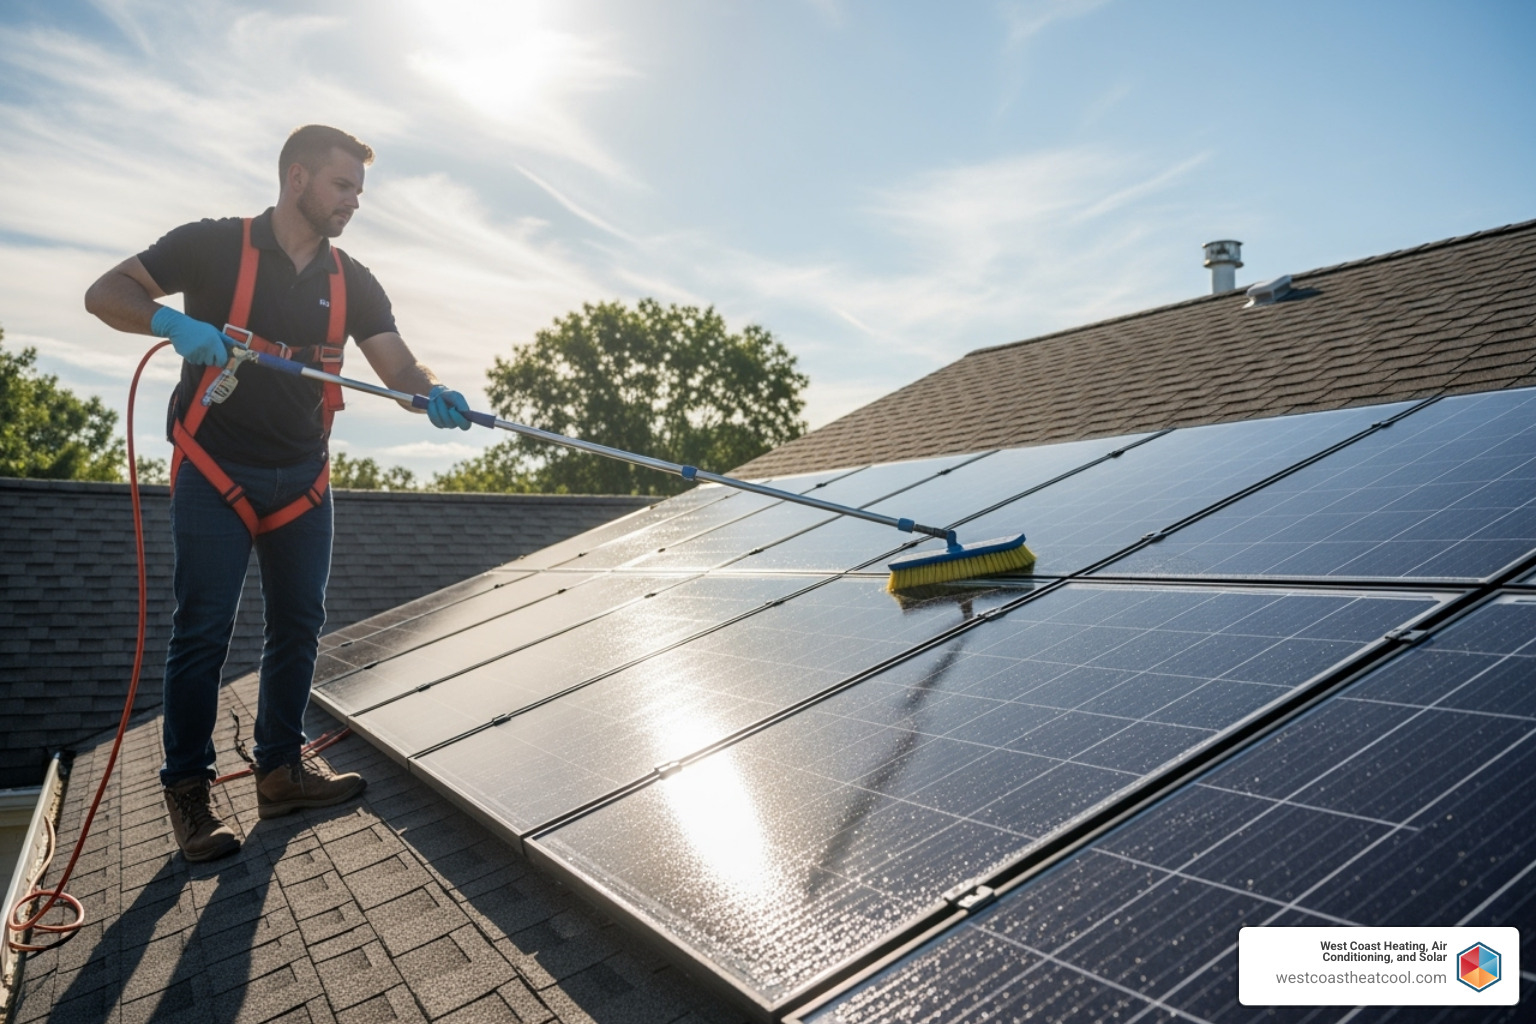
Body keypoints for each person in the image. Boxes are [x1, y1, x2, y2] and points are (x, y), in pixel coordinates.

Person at [84, 125, 472, 862]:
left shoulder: (351, 279)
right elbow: (105, 293)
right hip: (215, 468)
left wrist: (431, 393)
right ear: (297, 178)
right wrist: (170, 321)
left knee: (299, 625)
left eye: (359, 190)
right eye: (342, 185)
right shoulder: (212, 244)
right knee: (203, 631)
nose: (354, 202)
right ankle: (189, 795)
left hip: (302, 477)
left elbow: (396, 367)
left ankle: (281, 771)